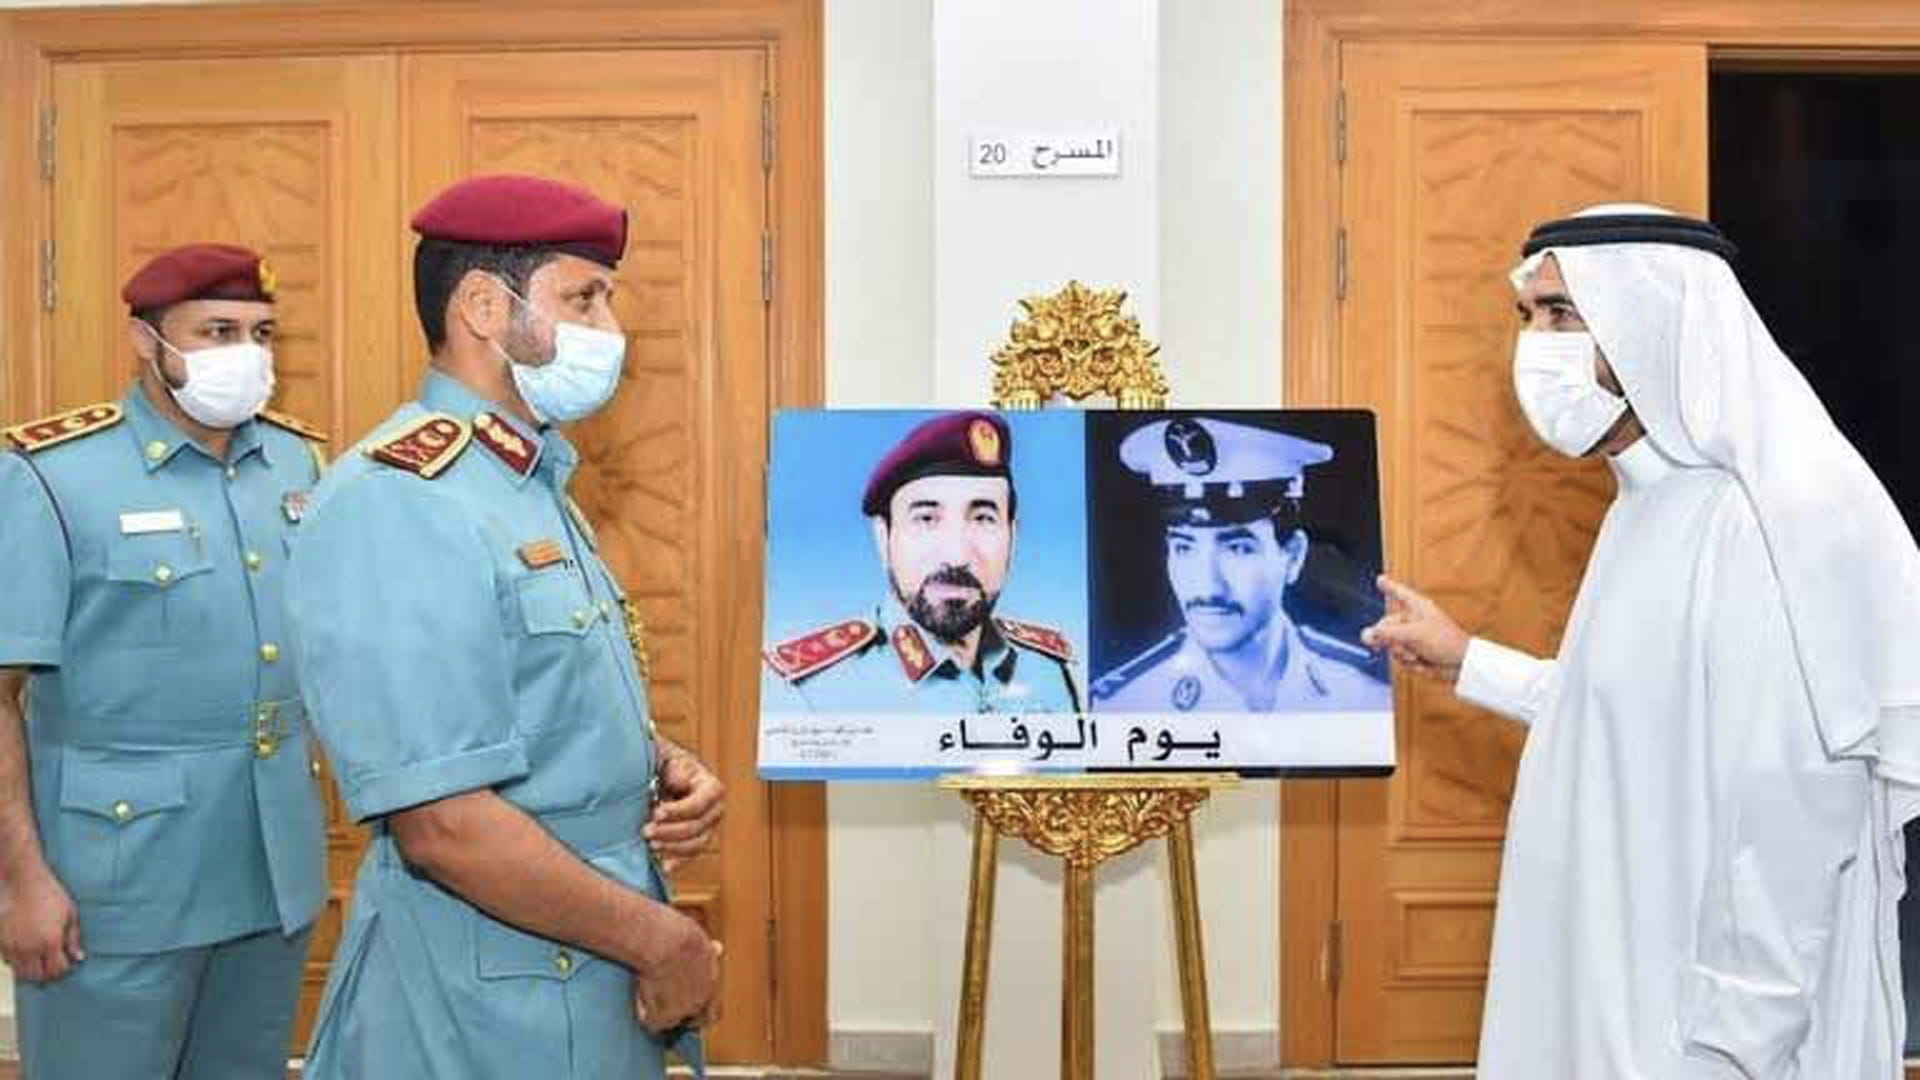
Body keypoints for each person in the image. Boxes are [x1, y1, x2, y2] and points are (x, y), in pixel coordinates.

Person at [1365, 204, 1920, 1078]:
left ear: (1649, 323)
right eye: (1528, 316)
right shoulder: (1652, 502)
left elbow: (1793, 812)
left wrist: (1735, 1047)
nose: (1533, 345)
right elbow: (1637, 719)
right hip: (1625, 981)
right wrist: (1468, 659)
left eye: (1560, 315)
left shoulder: (1763, 520)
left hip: (1703, 1034)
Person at [284, 174, 725, 1079]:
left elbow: (523, 703)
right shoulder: (401, 499)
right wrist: (662, 940)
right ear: (486, 306)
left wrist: (655, 762)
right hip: (481, 999)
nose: (609, 329)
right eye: (584, 297)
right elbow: (441, 821)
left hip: (569, 961)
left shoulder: (520, 481)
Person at [0, 243, 328, 1077]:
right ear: (148, 342)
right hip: (117, 888)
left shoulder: (298, 462)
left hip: (271, 870)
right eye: (217, 330)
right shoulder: (51, 474)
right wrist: (18, 882)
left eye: (262, 333)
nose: (247, 356)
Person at [762, 411, 1080, 714]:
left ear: (1013, 535)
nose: (956, 556)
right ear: (883, 537)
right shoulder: (811, 691)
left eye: (983, 518)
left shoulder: (1049, 672)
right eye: (926, 518)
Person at [1093, 416, 1388, 714]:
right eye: (1184, 547)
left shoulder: (1367, 696)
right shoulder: (1125, 704)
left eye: (1238, 548)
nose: (1206, 584)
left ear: (1293, 556)